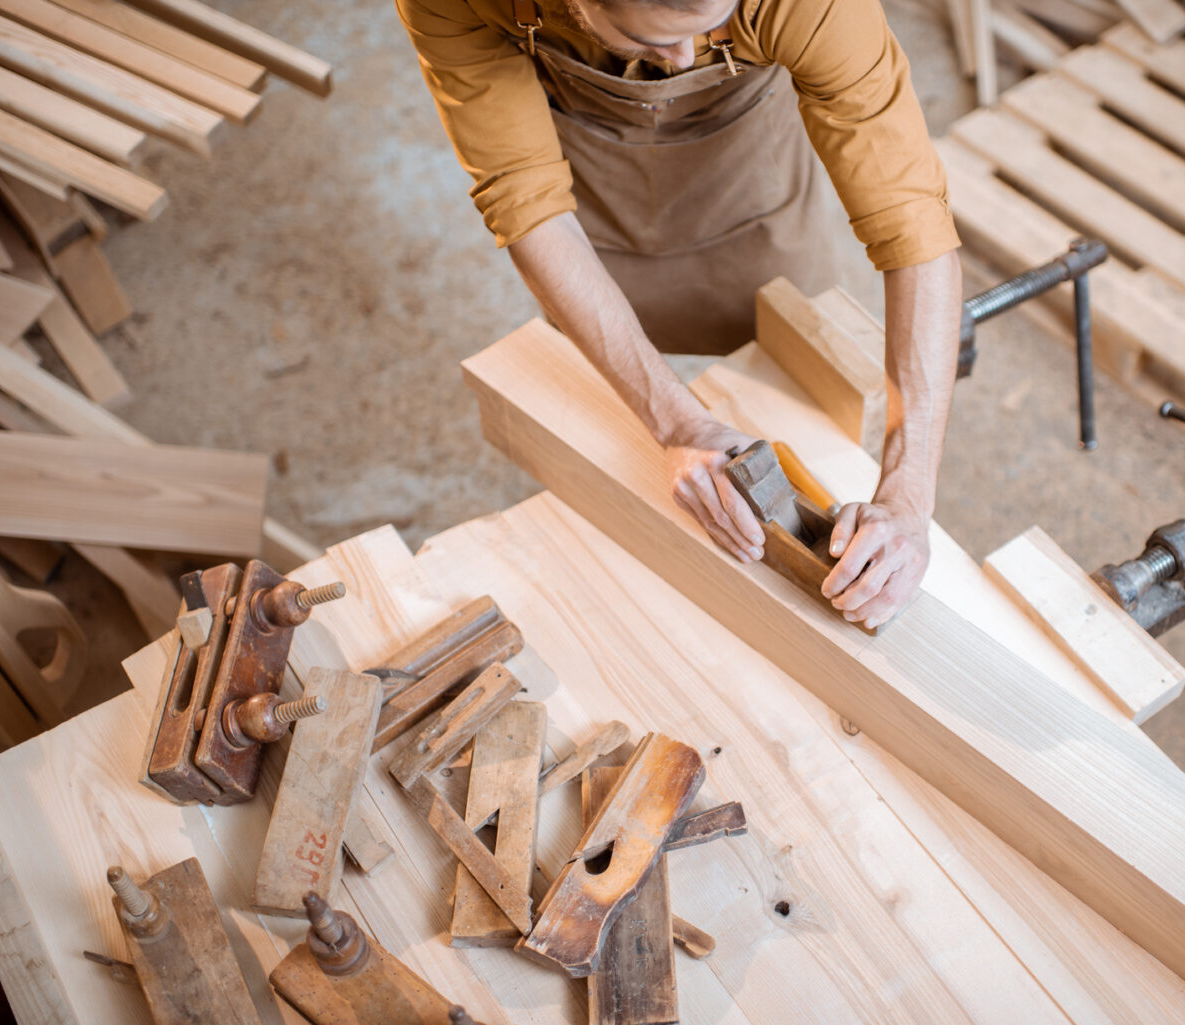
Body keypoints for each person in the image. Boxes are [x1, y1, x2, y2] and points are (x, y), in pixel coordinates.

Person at [398, 0, 962, 629]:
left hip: (749, 169)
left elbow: (913, 224)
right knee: (593, 399)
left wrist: (909, 494)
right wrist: (676, 421)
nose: (685, 59)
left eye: (708, 28)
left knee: (792, 355)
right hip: (590, 193)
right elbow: (525, 200)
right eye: (651, 38)